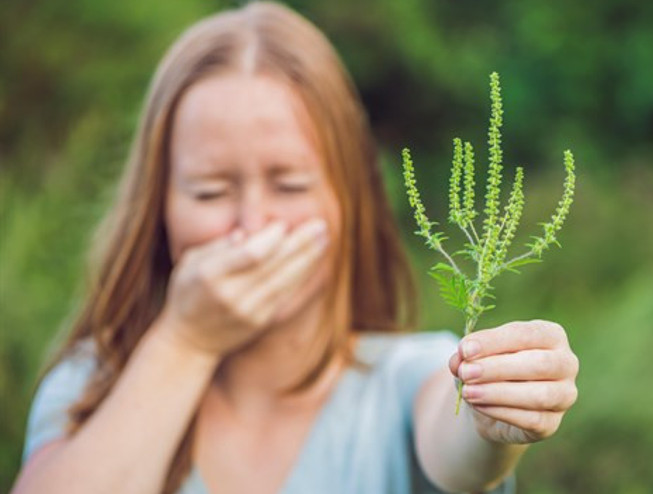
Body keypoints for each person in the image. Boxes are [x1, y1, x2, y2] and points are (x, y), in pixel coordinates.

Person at [11, 2, 579, 493]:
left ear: (346, 199)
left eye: (289, 185)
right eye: (211, 191)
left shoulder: (406, 379)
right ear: (158, 207)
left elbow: (458, 446)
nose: (253, 225)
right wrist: (186, 341)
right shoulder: (92, 387)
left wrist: (491, 418)